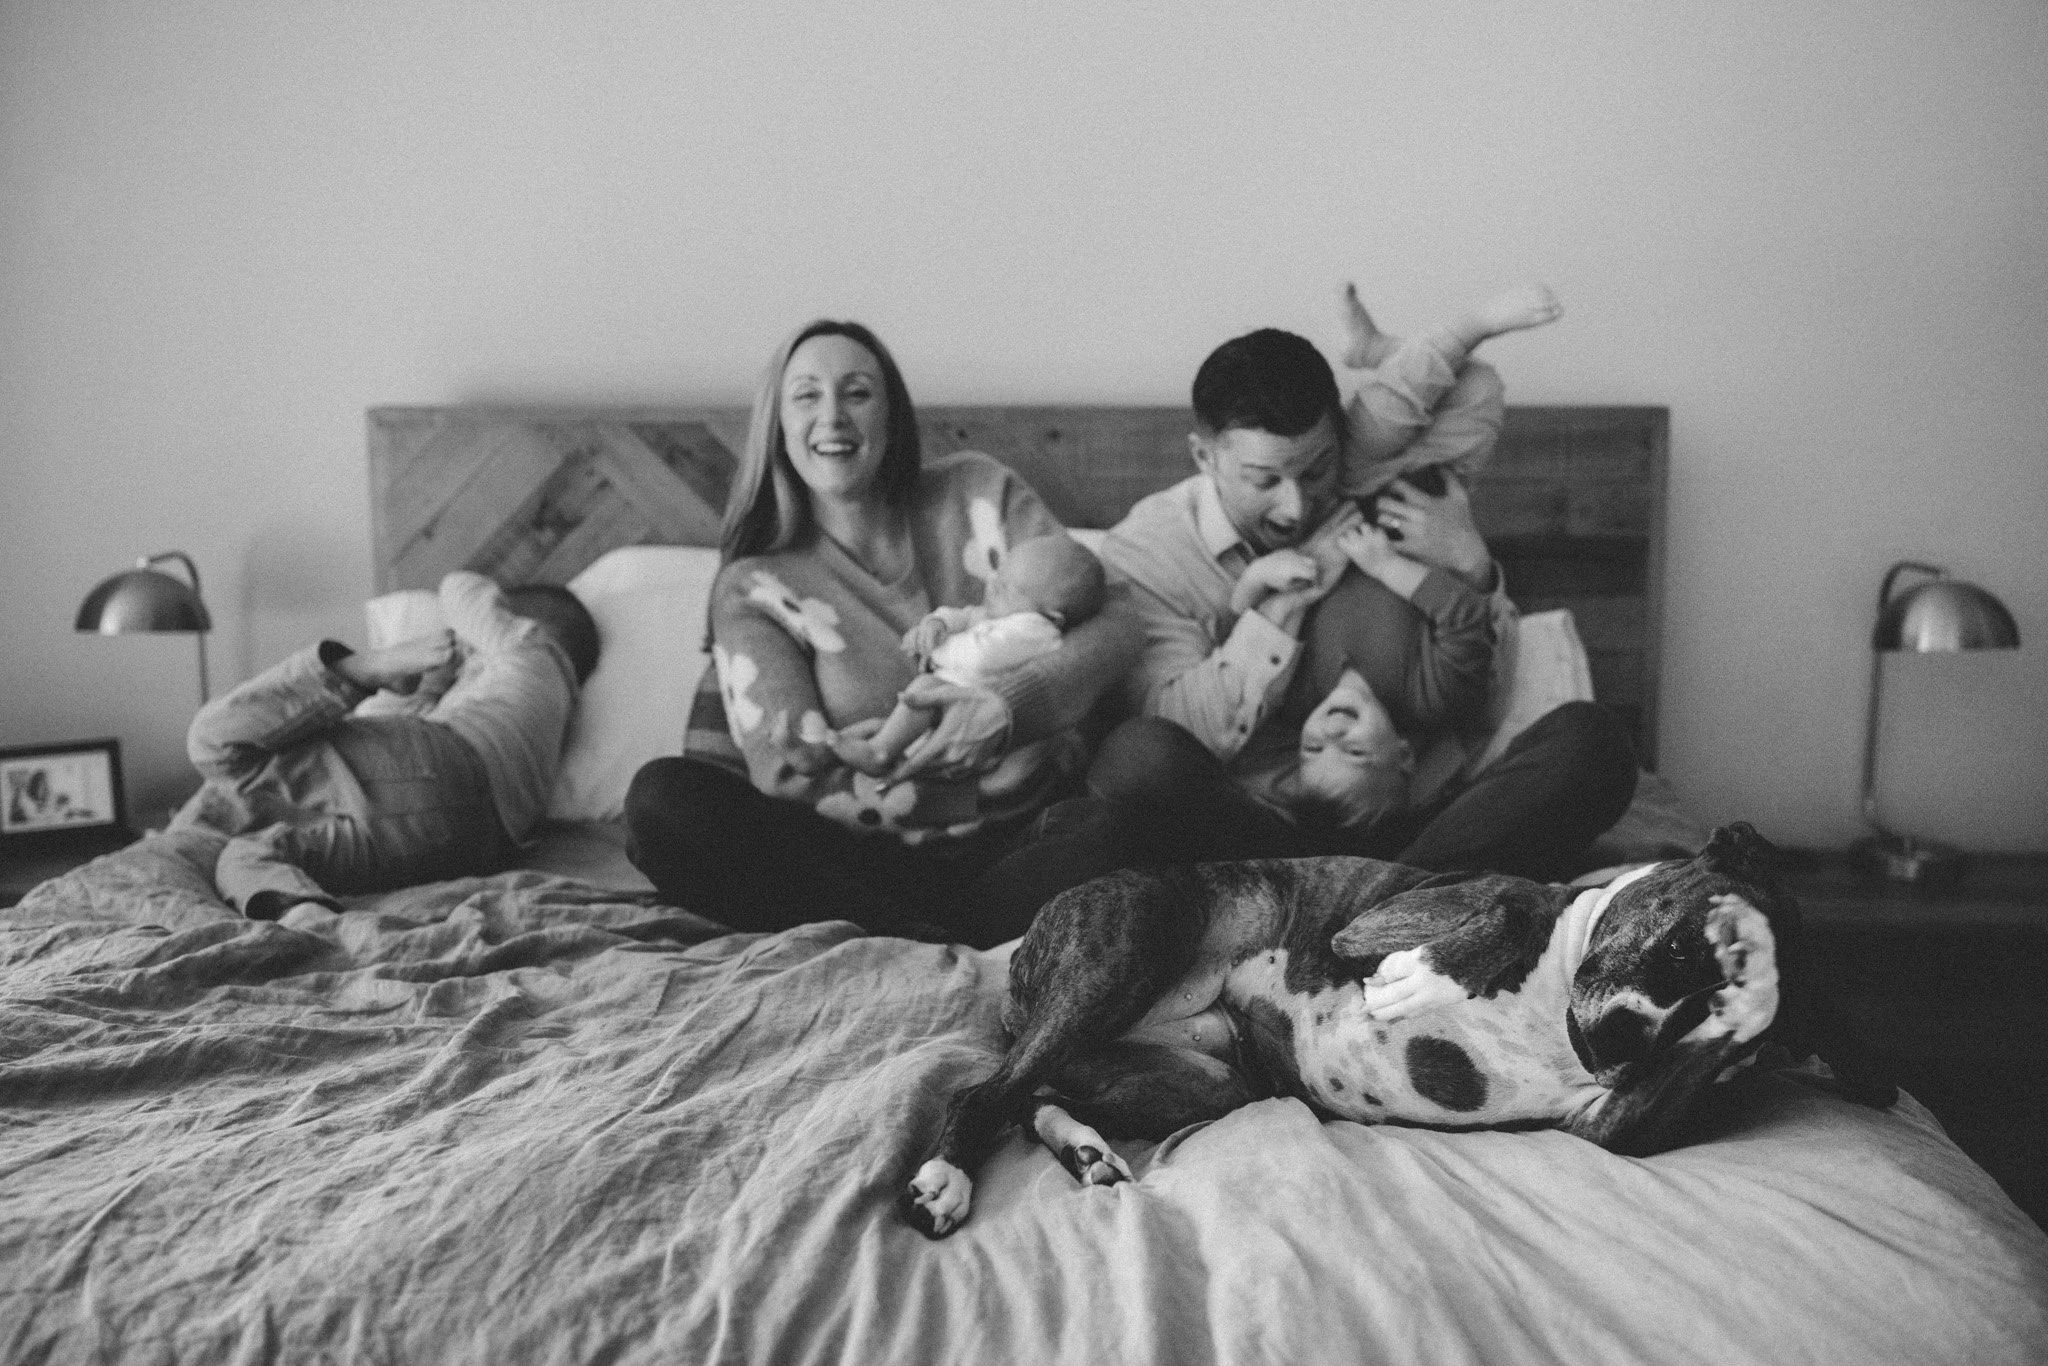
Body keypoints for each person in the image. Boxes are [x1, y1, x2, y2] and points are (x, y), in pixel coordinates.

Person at [623, 319, 1145, 948]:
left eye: (857, 393)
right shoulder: (753, 584)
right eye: (808, 395)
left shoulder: (978, 493)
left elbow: (1116, 625)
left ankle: (910, 934)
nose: (833, 416)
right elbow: (783, 775)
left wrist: (1010, 707)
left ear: (891, 413)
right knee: (662, 802)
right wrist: (820, 752)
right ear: (778, 424)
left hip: (1022, 837)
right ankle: (945, 928)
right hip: (854, 858)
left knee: (1136, 815)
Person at [1091, 320, 1637, 882]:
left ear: (1339, 442)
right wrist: (1282, 608)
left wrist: (1470, 564)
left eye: (1317, 469)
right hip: (1254, 826)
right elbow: (1180, 730)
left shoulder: (1375, 487)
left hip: (1423, 818)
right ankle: (1405, 893)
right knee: (1136, 759)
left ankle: (1368, 892)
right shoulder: (1148, 555)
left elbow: (1478, 699)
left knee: (1593, 743)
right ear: (1204, 456)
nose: (1296, 507)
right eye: (1263, 480)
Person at [174, 571, 598, 922]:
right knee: (249, 853)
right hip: (465, 842)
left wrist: (456, 635)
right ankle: (306, 916)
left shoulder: (535, 650)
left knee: (214, 744)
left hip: (454, 767)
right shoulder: (518, 703)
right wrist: (428, 681)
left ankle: (357, 668)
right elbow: (389, 730)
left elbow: (460, 586)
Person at [831, 532, 1107, 777]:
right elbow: (964, 616)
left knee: (924, 689)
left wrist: (937, 648)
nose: (992, 581)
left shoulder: (1036, 631)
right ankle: (857, 745)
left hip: (976, 717)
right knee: (906, 713)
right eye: (1000, 571)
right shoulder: (1006, 614)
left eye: (1009, 586)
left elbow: (979, 657)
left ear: (1051, 615)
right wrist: (937, 625)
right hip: (952, 708)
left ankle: (878, 753)